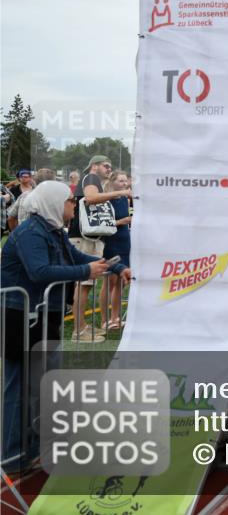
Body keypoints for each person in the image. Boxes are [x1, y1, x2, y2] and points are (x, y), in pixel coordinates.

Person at [1, 181, 130, 472]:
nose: (74, 204)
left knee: (42, 385)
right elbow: (40, 271)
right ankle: (12, 456)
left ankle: (32, 449)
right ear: (53, 202)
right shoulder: (31, 233)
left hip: (42, 315)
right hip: (21, 317)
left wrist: (117, 267)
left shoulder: (52, 230)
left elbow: (78, 257)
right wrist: (86, 271)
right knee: (19, 386)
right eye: (71, 199)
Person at [67, 155, 130, 341]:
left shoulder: (95, 180)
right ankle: (78, 331)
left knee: (86, 284)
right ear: (94, 166)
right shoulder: (92, 178)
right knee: (83, 284)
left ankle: (82, 327)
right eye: (106, 165)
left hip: (90, 237)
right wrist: (120, 193)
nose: (109, 168)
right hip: (83, 237)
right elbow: (91, 197)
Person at [100, 171, 132, 331]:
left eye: (126, 181)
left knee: (121, 282)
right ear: (113, 182)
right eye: (121, 181)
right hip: (111, 243)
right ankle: (105, 320)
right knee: (109, 281)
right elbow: (102, 223)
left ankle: (116, 318)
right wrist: (121, 221)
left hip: (125, 242)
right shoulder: (106, 200)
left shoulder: (125, 199)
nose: (124, 184)